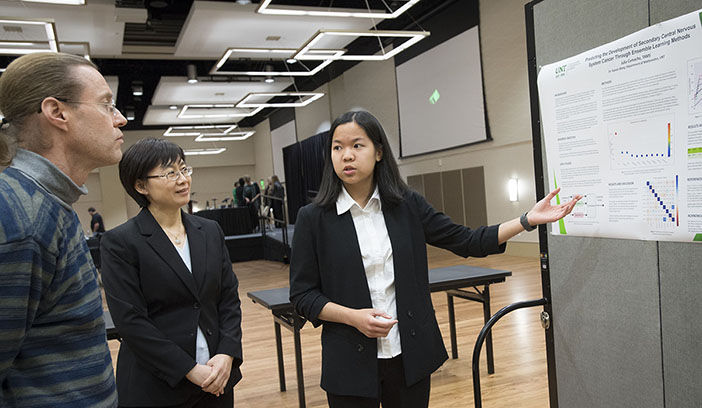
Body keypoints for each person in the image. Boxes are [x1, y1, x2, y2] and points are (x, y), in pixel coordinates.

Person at [289, 110, 581, 408]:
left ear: (378, 152)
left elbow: (467, 240)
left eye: (357, 145)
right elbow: (302, 295)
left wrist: (527, 219)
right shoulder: (313, 219)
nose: (346, 155)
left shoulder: (407, 205)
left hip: (409, 355)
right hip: (348, 361)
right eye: (337, 147)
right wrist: (353, 317)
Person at [0, 52, 127, 407]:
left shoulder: (47, 204)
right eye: (106, 105)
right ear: (57, 113)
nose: (120, 118)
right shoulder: (18, 215)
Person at [100, 138, 243, 407]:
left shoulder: (209, 231)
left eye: (184, 169)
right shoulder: (121, 242)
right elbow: (130, 321)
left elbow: (228, 300)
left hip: (217, 378)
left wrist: (227, 353)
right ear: (141, 186)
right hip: (157, 385)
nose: (183, 179)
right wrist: (189, 369)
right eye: (170, 173)